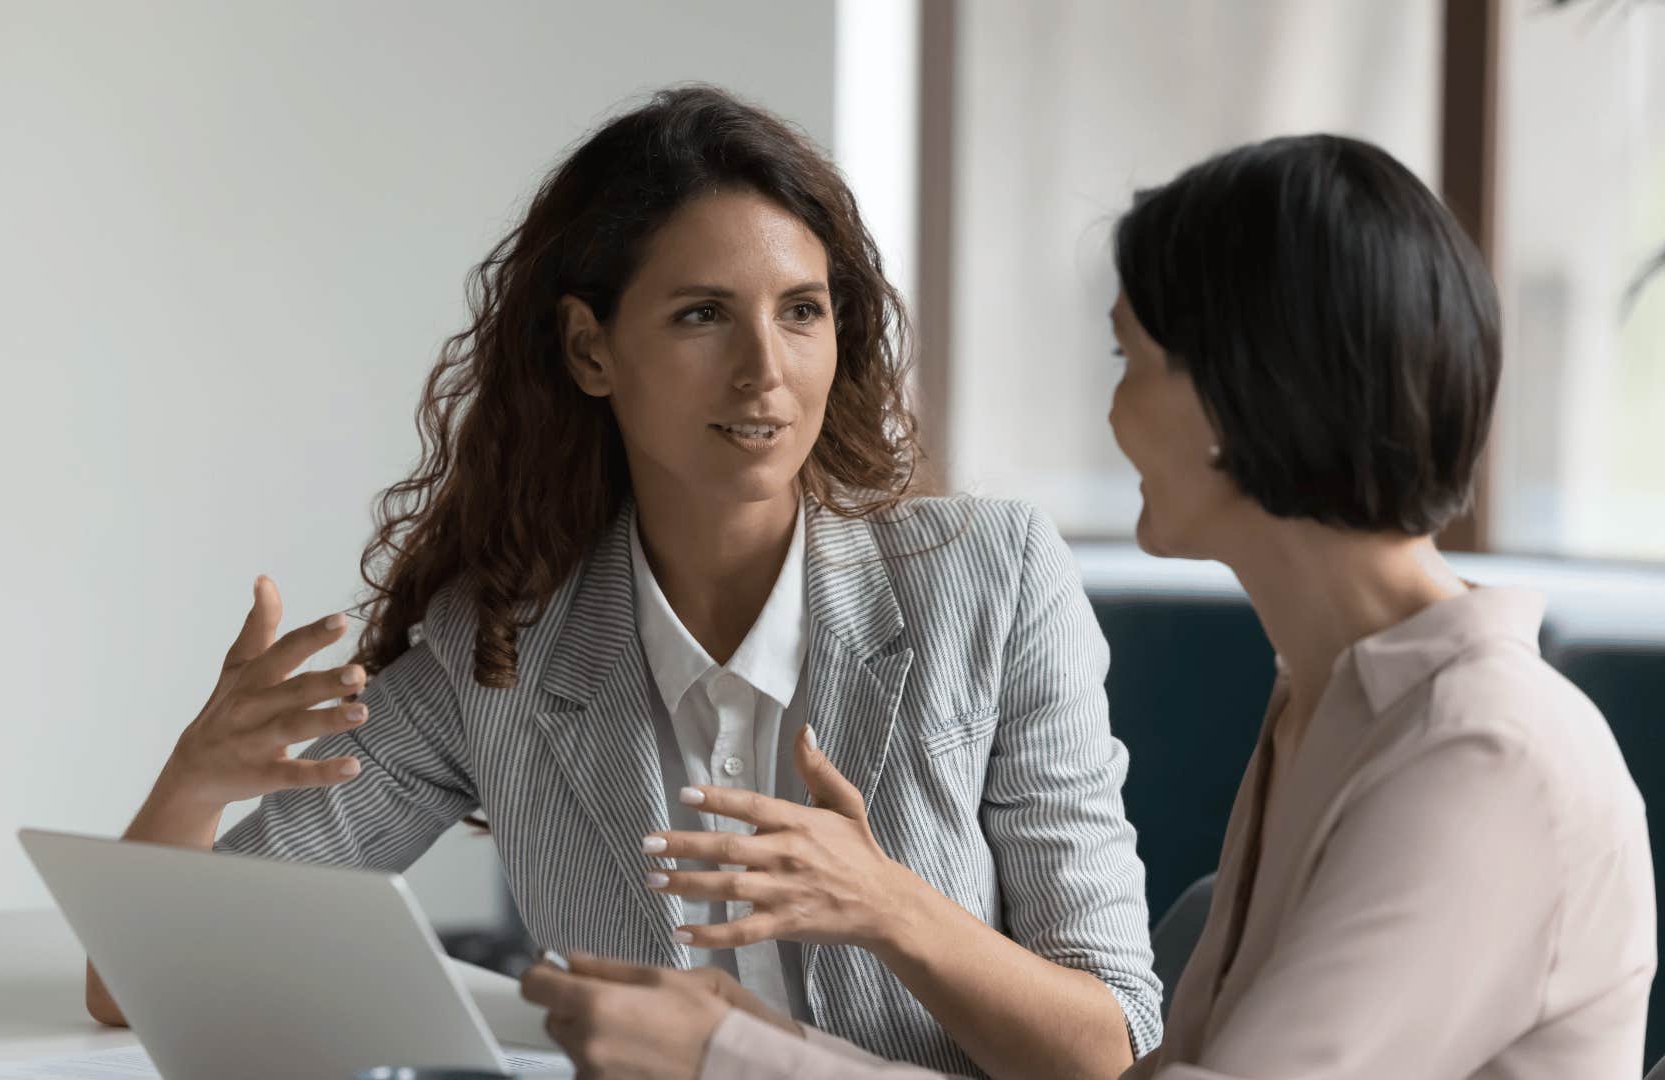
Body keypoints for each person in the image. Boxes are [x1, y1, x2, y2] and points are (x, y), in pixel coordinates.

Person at [519, 133, 1657, 1079]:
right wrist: (769, 1043)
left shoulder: (1483, 755)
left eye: (1129, 360)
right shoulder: (1331, 703)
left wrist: (741, 1059)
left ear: (1233, 395)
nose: (1111, 417)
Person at [83, 84, 1162, 1077]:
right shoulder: (497, 648)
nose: (765, 371)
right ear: (591, 351)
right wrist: (196, 779)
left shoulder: (992, 579)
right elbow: (139, 988)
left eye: (801, 310)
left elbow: (1113, 1051)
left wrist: (888, 906)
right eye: (701, 315)